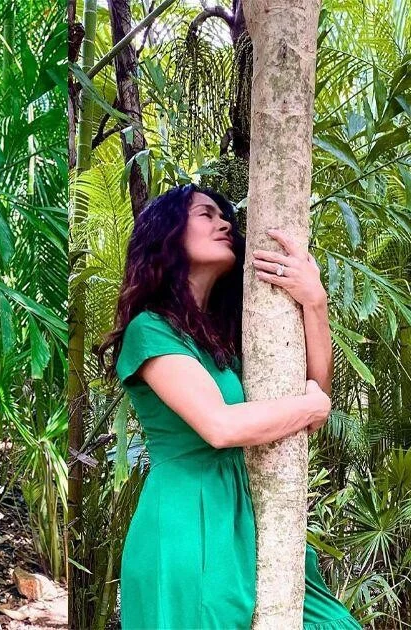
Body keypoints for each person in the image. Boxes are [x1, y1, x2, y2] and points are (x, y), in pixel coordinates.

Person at [94, 184, 361, 628]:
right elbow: (220, 426)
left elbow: (314, 387)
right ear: (167, 234)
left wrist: (315, 302)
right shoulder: (150, 329)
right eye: (205, 214)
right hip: (188, 518)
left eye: (225, 218)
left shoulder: (225, 336)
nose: (223, 223)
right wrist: (313, 408)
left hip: (247, 506)